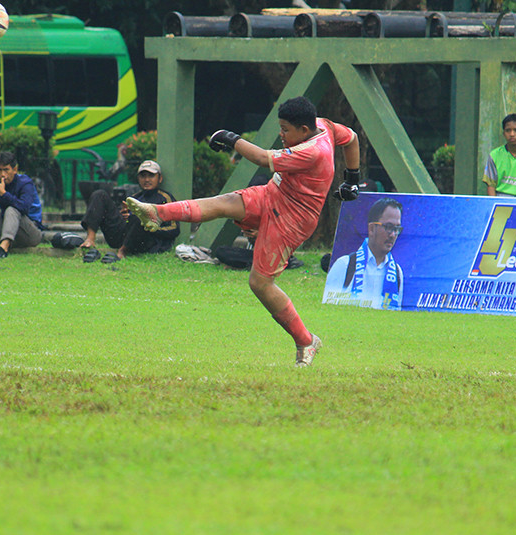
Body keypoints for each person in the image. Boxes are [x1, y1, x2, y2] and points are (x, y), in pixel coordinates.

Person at [125, 96, 360, 367]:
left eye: (285, 130)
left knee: (260, 283)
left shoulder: (313, 151)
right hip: (274, 194)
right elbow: (352, 138)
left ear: (303, 131)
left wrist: (229, 138)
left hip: (292, 220)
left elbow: (261, 158)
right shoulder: (324, 125)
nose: (281, 135)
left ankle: (306, 341)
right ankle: (157, 213)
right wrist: (352, 180)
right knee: (224, 203)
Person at [78, 160, 177, 263]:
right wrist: (124, 217)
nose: (147, 179)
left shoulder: (166, 198)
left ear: (159, 178)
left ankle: (123, 252)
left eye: (151, 176)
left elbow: (174, 229)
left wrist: (151, 226)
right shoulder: (134, 198)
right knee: (100, 195)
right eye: (143, 176)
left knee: (140, 216)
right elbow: (126, 222)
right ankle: (90, 239)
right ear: (138, 178)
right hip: (123, 238)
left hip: (147, 242)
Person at [324, 197, 404, 310]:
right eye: (388, 227)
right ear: (371, 228)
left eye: (397, 229)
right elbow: (328, 309)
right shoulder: (345, 265)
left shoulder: (397, 272)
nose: (393, 235)